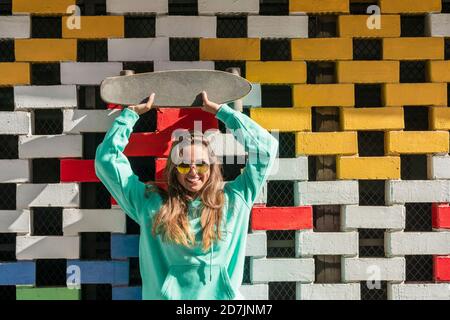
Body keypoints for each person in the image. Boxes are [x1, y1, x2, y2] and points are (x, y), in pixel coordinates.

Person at [95, 91, 278, 300]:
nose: (193, 172)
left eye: (200, 164)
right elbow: (106, 161)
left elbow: (266, 149)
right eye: (183, 165)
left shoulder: (234, 201)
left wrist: (223, 113)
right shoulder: (152, 205)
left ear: (211, 167)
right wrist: (130, 115)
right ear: (174, 169)